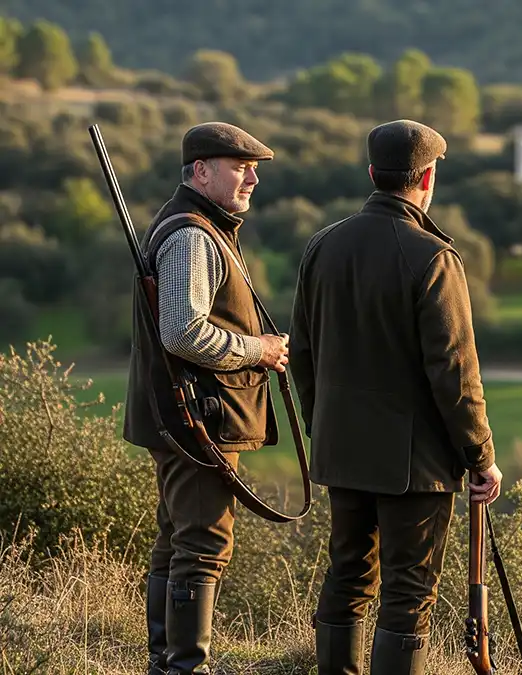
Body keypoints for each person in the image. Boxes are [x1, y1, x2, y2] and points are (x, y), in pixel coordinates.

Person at [289, 119, 503, 674]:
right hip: (415, 466)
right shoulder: (434, 257)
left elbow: (303, 354)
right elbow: (455, 372)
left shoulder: (322, 246)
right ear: (427, 177)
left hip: (341, 450)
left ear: (371, 174)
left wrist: (324, 427)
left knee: (347, 576)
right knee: (408, 591)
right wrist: (480, 455)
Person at [123, 122, 291, 674]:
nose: (253, 179)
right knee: (202, 545)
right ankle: (183, 667)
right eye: (241, 167)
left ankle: (165, 664)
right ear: (201, 171)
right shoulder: (193, 236)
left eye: (254, 169)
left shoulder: (198, 226)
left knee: (178, 539)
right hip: (198, 419)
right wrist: (259, 350)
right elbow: (182, 333)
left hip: (190, 415)